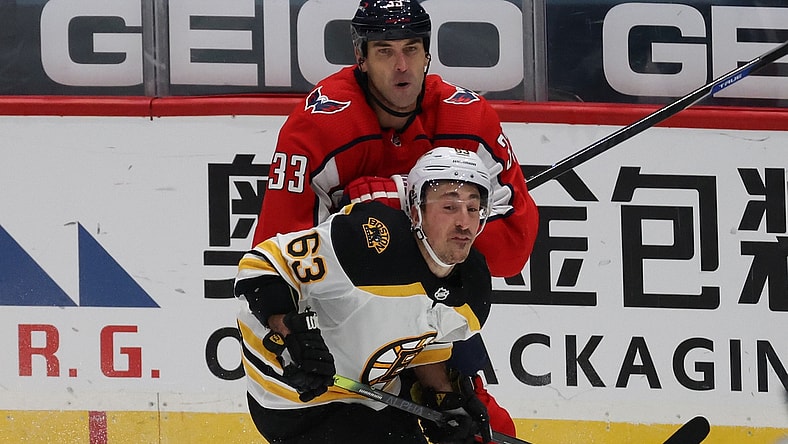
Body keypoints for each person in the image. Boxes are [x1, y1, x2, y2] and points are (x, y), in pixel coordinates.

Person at [252, 0, 539, 436]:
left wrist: (398, 204)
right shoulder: (318, 128)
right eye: (385, 51)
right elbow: (274, 262)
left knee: (484, 428)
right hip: (343, 330)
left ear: (428, 54)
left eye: (411, 49)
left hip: (427, 320)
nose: (401, 66)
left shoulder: (469, 118)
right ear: (361, 57)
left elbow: (510, 253)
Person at [236, 148, 496, 443]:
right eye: (449, 207)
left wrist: (444, 399)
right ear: (415, 211)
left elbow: (425, 344)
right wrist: (292, 337)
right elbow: (261, 265)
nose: (464, 223)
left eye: (473, 208)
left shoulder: (472, 286)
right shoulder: (369, 243)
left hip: (373, 396)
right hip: (293, 396)